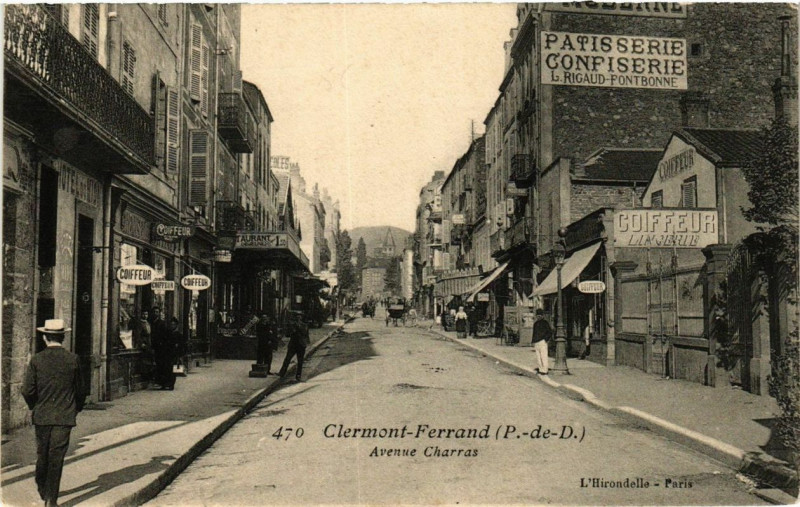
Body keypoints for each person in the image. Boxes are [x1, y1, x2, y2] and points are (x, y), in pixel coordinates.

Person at [22, 319, 86, 507]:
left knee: (42, 455)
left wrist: (36, 406)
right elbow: (81, 391)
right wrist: (75, 408)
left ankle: (42, 487)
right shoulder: (73, 359)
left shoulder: (37, 360)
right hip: (64, 416)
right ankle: (51, 499)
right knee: (56, 458)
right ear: (63, 337)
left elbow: (27, 391)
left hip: (42, 415)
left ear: (44, 337)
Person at [279, 311, 310, 382]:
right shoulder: (292, 325)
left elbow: (305, 333)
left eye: (300, 316)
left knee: (300, 361)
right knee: (287, 359)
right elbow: (289, 333)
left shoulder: (304, 325)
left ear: (301, 317)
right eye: (297, 316)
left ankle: (298, 375)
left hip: (301, 345)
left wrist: (306, 343)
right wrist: (292, 327)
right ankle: (282, 373)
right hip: (293, 345)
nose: (298, 317)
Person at [150, 307, 175, 390]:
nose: (155, 313)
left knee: (164, 366)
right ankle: (163, 383)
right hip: (157, 348)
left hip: (162, 349)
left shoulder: (161, 323)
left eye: (157, 312)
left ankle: (166, 383)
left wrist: (161, 344)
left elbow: (164, 336)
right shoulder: (152, 322)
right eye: (154, 312)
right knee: (160, 366)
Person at [532, 309, 552, 375]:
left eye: (540, 315)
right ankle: (541, 369)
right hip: (537, 342)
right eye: (538, 315)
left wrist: (545, 340)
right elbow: (534, 333)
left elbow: (550, 332)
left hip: (542, 341)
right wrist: (533, 341)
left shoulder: (545, 323)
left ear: (542, 316)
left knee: (543, 356)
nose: (539, 317)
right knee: (538, 357)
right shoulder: (535, 324)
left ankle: (545, 370)